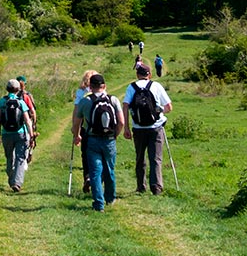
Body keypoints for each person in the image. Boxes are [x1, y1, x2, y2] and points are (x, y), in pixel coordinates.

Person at [72, 72, 125, 210]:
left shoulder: (85, 101)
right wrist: (115, 135)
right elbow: (121, 122)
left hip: (92, 140)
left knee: (95, 173)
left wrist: (77, 135)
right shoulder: (113, 100)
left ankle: (98, 204)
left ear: (90, 86)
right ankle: (110, 198)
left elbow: (77, 122)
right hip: (109, 140)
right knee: (109, 170)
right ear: (104, 86)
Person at [123, 63, 173, 195]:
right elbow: (169, 107)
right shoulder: (156, 86)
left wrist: (126, 127)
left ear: (137, 74)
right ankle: (156, 187)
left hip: (138, 128)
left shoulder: (131, 87)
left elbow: (126, 106)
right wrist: (159, 111)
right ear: (149, 75)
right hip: (156, 127)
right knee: (156, 158)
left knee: (140, 157)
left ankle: (141, 186)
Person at [0, 78, 35, 192]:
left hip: (6, 134)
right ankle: (17, 182)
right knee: (20, 158)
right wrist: (31, 135)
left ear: (7, 89)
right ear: (18, 89)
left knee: (9, 158)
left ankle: (12, 179)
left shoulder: (1, 102)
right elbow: (27, 120)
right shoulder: (21, 102)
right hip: (20, 133)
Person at [72, 70, 96, 193]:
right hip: (99, 126)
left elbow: (76, 111)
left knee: (85, 153)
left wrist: (74, 128)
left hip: (84, 125)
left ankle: (87, 176)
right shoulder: (100, 91)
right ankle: (96, 178)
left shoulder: (81, 92)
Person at [16, 75, 39, 162]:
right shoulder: (27, 96)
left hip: (15, 123)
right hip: (27, 121)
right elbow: (33, 110)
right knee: (30, 138)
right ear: (24, 85)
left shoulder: (10, 96)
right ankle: (29, 154)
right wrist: (34, 123)